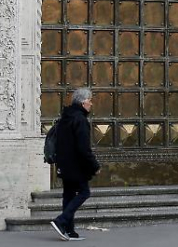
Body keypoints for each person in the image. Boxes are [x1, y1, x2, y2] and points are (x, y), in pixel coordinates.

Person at [51, 88, 101, 241]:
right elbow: (83, 148)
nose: (91, 104)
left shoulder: (65, 118)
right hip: (76, 166)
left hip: (64, 164)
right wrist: (94, 165)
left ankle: (69, 230)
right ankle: (61, 221)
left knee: (68, 195)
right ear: (83, 102)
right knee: (84, 192)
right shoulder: (80, 120)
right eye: (89, 100)